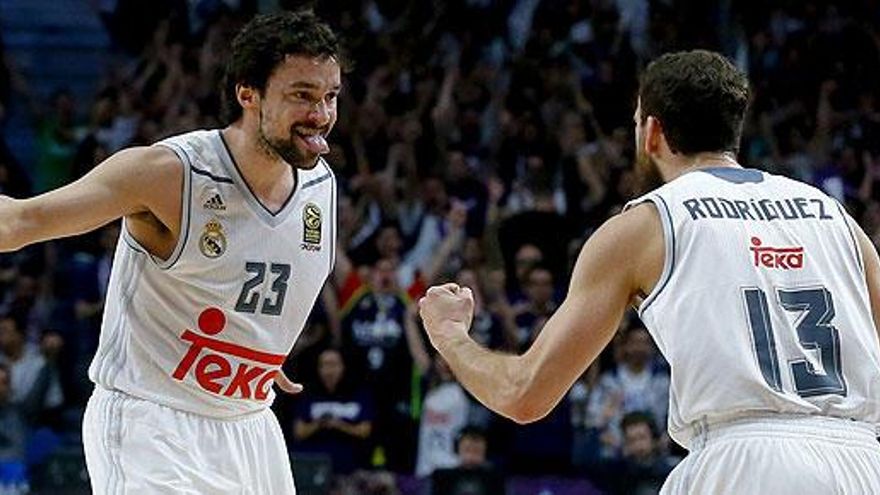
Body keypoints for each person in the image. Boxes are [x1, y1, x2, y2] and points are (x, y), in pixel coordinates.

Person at [419, 49, 880, 494]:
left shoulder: (647, 223)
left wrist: (450, 335)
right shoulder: (835, 216)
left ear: (652, 132)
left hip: (743, 461)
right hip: (863, 461)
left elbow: (525, 394)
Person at [0, 11, 343, 494]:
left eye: (330, 96)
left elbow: (245, 280)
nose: (322, 114)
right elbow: (20, 222)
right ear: (249, 95)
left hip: (250, 427)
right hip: (152, 421)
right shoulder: (170, 174)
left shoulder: (320, 186)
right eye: (302, 95)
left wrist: (254, 350)